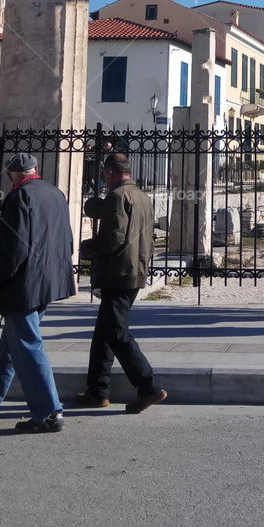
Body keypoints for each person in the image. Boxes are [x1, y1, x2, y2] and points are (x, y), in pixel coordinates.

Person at [0, 151, 75, 433]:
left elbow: (14, 248)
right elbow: (67, 239)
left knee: (27, 345)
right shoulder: (55, 193)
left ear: (12, 175)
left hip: (24, 284)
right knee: (10, 343)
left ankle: (49, 412)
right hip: (48, 280)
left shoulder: (19, 197)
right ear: (35, 170)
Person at [75, 151, 167, 413]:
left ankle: (148, 385)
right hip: (134, 268)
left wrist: (87, 248)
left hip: (118, 273)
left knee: (116, 333)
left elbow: (114, 238)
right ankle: (97, 390)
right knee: (104, 333)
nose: (104, 178)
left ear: (110, 172)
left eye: (105, 174)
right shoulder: (142, 196)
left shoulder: (118, 196)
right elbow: (149, 239)